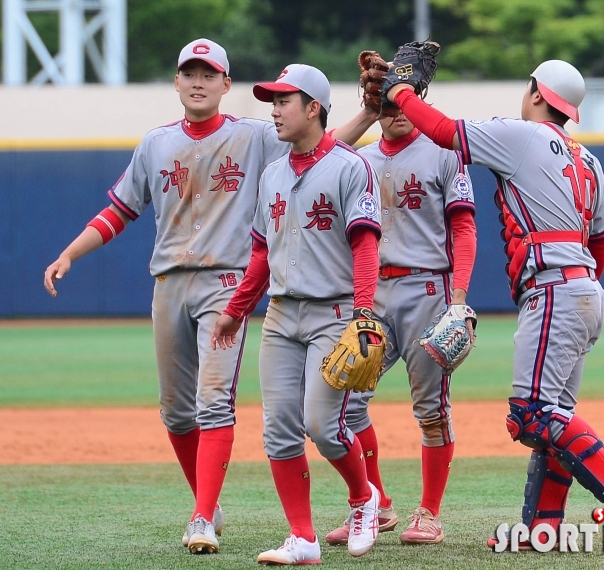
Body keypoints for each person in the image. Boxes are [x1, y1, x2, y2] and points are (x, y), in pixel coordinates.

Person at [43, 39, 378, 555]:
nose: (198, 81)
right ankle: (213, 505)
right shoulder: (155, 144)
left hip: (228, 282)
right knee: (177, 413)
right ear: (176, 82)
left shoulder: (256, 137)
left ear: (226, 84)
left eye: (209, 73)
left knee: (215, 403)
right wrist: (70, 253)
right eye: (188, 72)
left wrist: (368, 114)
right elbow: (119, 210)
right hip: (171, 284)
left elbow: (322, 146)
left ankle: (203, 517)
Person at [384, 59, 604, 548]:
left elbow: (446, 131)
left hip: (554, 289)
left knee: (531, 414)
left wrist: (402, 94)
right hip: (583, 290)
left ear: (536, 92)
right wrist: (583, 287)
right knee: (552, 418)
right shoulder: (588, 159)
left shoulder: (522, 135)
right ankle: (541, 529)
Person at [211, 63, 384, 565]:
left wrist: (365, 314)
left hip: (335, 314)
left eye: (285, 100)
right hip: (282, 316)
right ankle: (303, 538)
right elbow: (262, 254)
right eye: (273, 99)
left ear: (314, 108)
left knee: (323, 425)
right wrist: (235, 309)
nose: (275, 108)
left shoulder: (351, 166)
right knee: (279, 429)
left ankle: (363, 498)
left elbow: (365, 245)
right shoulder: (272, 174)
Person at [324, 110, 477, 547]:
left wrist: (459, 298)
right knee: (344, 402)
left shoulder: (445, 155)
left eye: (400, 101)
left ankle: (429, 513)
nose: (395, 113)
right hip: (372, 291)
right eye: (384, 105)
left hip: (428, 289)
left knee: (431, 411)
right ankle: (377, 504)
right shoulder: (359, 158)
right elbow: (319, 148)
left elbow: (464, 229)